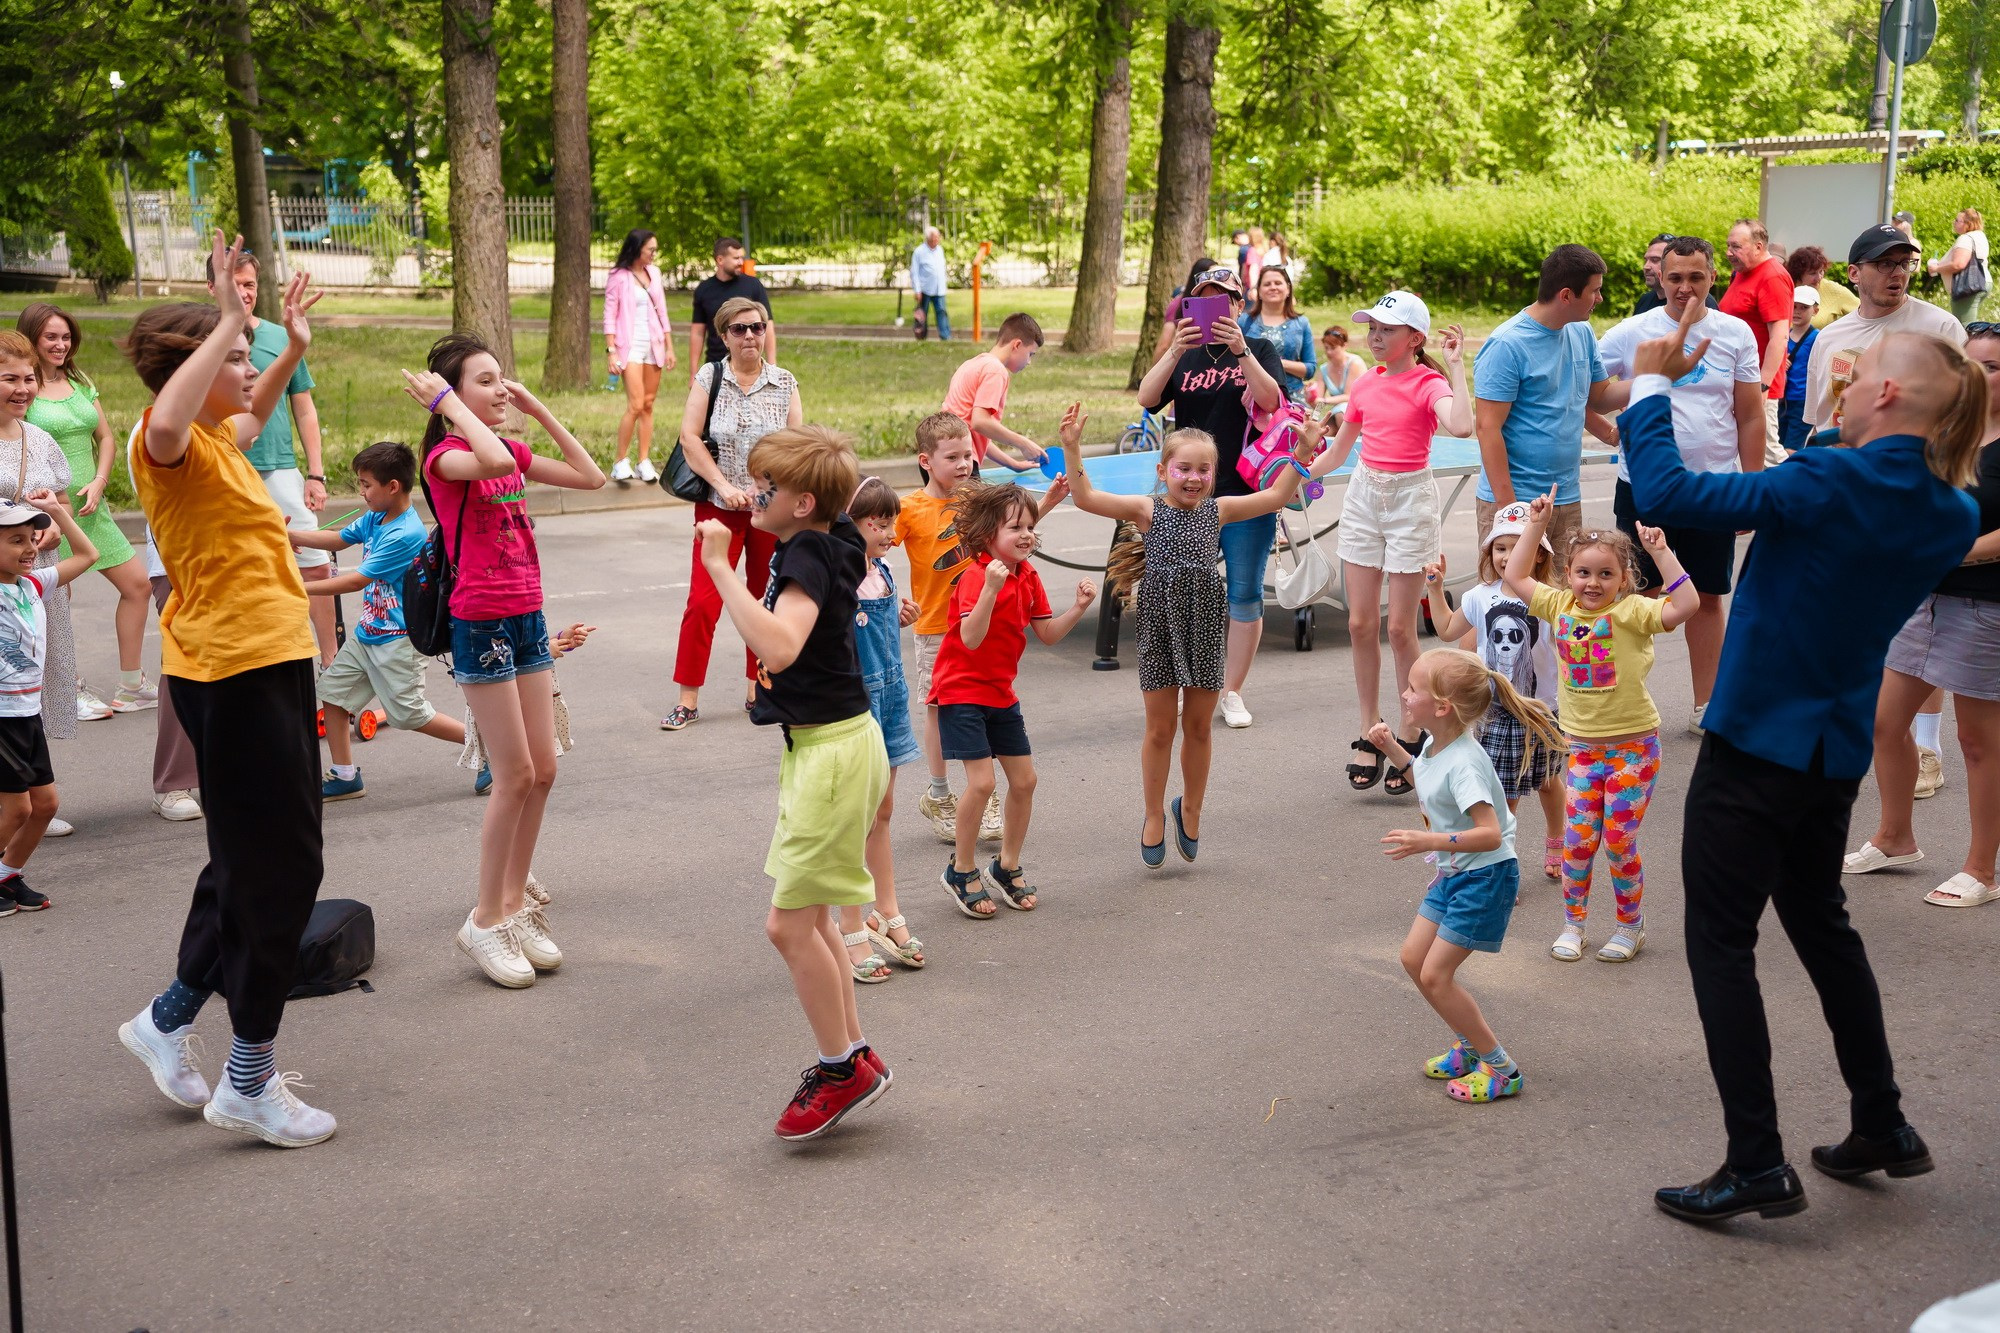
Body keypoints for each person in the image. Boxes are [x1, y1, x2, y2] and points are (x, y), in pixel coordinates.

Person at [1626, 304, 1981, 1224]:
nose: (1846, 380)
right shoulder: (1948, 507)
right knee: (1823, 928)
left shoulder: (1827, 481)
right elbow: (1848, 480)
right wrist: (1840, 417)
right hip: (1829, 751)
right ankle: (1883, 1122)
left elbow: (1668, 495)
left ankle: (1755, 1160)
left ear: (1890, 391)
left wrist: (1656, 380)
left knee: (1720, 941)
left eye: (1860, 373)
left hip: (1755, 746)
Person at [114, 234, 336, 1147]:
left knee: (249, 861)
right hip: (231, 671)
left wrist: (286, 348)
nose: (245, 372)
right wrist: (232, 319)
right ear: (190, 369)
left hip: (265, 662)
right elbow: (167, 422)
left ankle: (167, 1019)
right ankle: (247, 1075)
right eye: (232, 360)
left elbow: (246, 410)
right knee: (280, 870)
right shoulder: (163, 442)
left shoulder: (216, 438)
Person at [692, 424, 894, 1142]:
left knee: (786, 925)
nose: (753, 493)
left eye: (767, 487)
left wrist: (720, 568)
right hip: (828, 745)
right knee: (809, 920)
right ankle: (854, 1051)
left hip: (835, 754)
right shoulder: (826, 535)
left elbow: (780, 640)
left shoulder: (809, 546)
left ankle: (840, 1066)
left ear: (804, 500)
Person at [412, 332, 605, 989]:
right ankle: (486, 917)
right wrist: (452, 411)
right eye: (486, 381)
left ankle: (515, 900)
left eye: (503, 380)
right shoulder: (446, 457)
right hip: (480, 621)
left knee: (543, 767)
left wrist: (540, 408)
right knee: (514, 773)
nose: (500, 390)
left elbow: (591, 476)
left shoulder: (503, 446)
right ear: (450, 397)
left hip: (527, 618)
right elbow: (491, 461)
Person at [1063, 408, 1315, 867]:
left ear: (1214, 475)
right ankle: (1153, 813)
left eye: (1203, 469)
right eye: (1184, 469)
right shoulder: (1147, 510)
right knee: (1160, 729)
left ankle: (1191, 808)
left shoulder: (1220, 510)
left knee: (1198, 726)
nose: (1193, 478)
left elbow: (1278, 495)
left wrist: (1301, 449)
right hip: (1160, 625)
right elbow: (1085, 497)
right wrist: (1072, 447)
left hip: (1203, 622)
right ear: (1163, 472)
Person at [1841, 323, 2000, 909]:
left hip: (1987, 607)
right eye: (1971, 365)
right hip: (1920, 599)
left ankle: (1982, 869)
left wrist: (1954, 548)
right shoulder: (1944, 433)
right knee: (1884, 722)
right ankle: (1895, 837)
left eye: (1993, 366)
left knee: (1979, 741)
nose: (1980, 376)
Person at [1504, 498, 1698, 964]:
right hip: (1585, 753)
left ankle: (1630, 926)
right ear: (1568, 574)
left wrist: (1662, 552)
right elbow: (1515, 574)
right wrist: (1536, 525)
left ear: (1625, 579)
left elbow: (1688, 603)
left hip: (1634, 750)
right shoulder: (1558, 606)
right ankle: (1574, 924)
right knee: (1578, 841)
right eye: (1584, 573)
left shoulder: (1633, 612)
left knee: (1618, 839)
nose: (1594, 583)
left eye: (1606, 574)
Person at [1375, 648, 1562, 1104]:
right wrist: (1391, 749)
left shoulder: (1466, 763)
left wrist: (1429, 842)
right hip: (1455, 875)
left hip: (1485, 878)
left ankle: (1501, 1068)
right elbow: (1426, 778)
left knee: (1436, 975)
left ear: (1442, 707)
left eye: (1414, 688)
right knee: (1411, 960)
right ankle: (1467, 1044)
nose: (1404, 692)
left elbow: (1491, 835)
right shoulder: (1437, 745)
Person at [1305, 292, 1473, 794]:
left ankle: (1411, 727)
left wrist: (1459, 367)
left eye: (1387, 330)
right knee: (1358, 622)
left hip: (1410, 501)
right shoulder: (1364, 385)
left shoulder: (1429, 382)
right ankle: (1368, 727)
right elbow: (1337, 454)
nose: (1375, 338)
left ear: (1415, 339)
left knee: (1400, 629)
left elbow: (1461, 425)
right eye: (1372, 329)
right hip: (1364, 496)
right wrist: (1291, 481)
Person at [1596, 235, 1765, 732]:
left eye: (1696, 277)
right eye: (1675, 277)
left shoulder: (1735, 333)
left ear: (1714, 278)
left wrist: (1751, 492)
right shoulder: (1631, 334)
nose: (1685, 288)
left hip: (1714, 489)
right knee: (1636, 595)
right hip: (1644, 489)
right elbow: (1591, 394)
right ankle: (1624, 705)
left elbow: (1750, 415)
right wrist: (1611, 431)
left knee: (1709, 597)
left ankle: (1707, 707)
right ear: (1660, 278)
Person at [933, 482, 1096, 919]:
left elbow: (1046, 634)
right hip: (960, 690)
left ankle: (1005, 866)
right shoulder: (974, 576)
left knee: (1024, 782)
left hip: (1000, 693)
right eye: (1015, 527)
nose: (1026, 534)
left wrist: (1078, 608)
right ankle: (961, 869)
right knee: (982, 783)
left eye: (1030, 526)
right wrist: (989, 588)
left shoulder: (1029, 577)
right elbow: (970, 638)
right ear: (989, 536)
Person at [1135, 266, 1286, 729]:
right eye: (1202, 300)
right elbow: (1146, 398)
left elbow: (1273, 401)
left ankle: (1232, 690)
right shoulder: (1185, 354)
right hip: (1187, 496)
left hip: (1242, 492)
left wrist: (1241, 352)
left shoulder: (1259, 349)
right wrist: (1174, 350)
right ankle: (1186, 682)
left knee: (1243, 593)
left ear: (1240, 307)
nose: (1215, 308)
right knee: (1181, 589)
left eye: (1225, 300)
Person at [286, 442, 469, 800]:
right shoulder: (376, 517)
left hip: (399, 639)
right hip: (369, 633)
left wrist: (298, 587)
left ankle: (488, 744)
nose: (362, 491)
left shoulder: (405, 534)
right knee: (333, 696)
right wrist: (288, 535)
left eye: (366, 484)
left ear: (393, 487)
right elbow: (337, 539)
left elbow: (357, 580)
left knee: (409, 715)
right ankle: (344, 775)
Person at [661, 296, 802, 732]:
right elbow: (689, 438)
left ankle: (757, 690)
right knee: (704, 603)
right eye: (739, 329)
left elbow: (796, 446)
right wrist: (724, 486)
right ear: (723, 336)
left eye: (757, 328)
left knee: (764, 599)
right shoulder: (711, 376)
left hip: (769, 511)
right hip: (718, 509)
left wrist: (768, 494)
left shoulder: (784, 381)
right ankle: (687, 699)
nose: (749, 336)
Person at [17, 303, 154, 718]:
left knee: (138, 585)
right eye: (51, 337)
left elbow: (106, 437)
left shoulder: (78, 379)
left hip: (92, 505)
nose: (61, 345)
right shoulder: (22, 386)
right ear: (32, 339)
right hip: (46, 506)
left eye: (66, 337)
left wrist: (99, 480)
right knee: (57, 601)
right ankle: (67, 689)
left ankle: (131, 686)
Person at [205, 250, 336, 669]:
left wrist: (314, 473)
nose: (244, 293)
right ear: (212, 288)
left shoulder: (281, 338)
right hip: (225, 467)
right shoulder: (200, 338)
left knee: (314, 564)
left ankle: (331, 662)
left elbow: (305, 409)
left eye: (250, 285)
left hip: (279, 467)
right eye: (234, 284)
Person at [1425, 503, 1567, 885]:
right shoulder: (1479, 595)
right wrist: (1437, 589)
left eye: (1516, 546)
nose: (1506, 556)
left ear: (1539, 552)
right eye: (1499, 548)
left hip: (1541, 711)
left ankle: (1557, 840)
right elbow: (1447, 630)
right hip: (1495, 712)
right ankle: (1501, 866)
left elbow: (1570, 652)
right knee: (1502, 794)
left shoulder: (1551, 598)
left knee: (1549, 782)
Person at [1473, 244, 1625, 563]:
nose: (1600, 299)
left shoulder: (1581, 332)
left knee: (1564, 607)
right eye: (1595, 291)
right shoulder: (1507, 344)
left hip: (1565, 499)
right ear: (1567, 295)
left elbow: (1596, 398)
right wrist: (1509, 510)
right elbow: (1488, 429)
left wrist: (1658, 379)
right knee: (1514, 608)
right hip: (1517, 503)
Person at [836, 477, 926, 981]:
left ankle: (884, 910)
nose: (890, 531)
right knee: (858, 816)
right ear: (851, 523)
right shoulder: (840, 576)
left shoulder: (885, 573)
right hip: (858, 705)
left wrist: (901, 616)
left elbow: (882, 631)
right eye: (879, 522)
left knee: (884, 811)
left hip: (891, 703)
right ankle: (851, 922)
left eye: (892, 521)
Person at [0, 492, 98, 913]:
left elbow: (88, 553)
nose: (29, 548)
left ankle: (6, 875)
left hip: (27, 713)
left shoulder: (33, 584)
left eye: (31, 538)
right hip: (1, 718)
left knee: (45, 805)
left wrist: (58, 513)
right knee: (17, 808)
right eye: (15, 540)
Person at [0, 333, 82, 766]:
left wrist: (51, 525)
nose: (22, 389)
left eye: (29, 378)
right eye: (9, 378)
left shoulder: (40, 438)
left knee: (32, 680)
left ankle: (32, 793)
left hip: (34, 578)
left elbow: (61, 502)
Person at [1803, 224, 1966, 434]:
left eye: (1905, 263)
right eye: (1886, 263)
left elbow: (1966, 412)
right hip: (1837, 461)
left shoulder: (1941, 327)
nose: (1898, 273)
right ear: (1854, 273)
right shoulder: (1828, 337)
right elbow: (1819, 421)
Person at [603, 228, 677, 485]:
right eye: (651, 250)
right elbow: (609, 314)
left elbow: (663, 311)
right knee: (635, 404)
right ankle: (619, 461)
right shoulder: (618, 277)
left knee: (647, 404)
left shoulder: (653, 273)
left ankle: (643, 460)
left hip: (653, 344)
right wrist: (611, 350)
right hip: (629, 346)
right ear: (637, 249)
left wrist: (669, 346)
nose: (654, 254)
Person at [1719, 220, 1794, 469]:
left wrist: (1762, 385)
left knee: (1768, 455)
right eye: (1728, 246)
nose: (1729, 253)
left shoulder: (1772, 276)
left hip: (1757, 385)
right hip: (1737, 380)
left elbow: (1780, 336)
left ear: (1759, 246)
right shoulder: (1741, 273)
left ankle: (1797, 502)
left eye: (1736, 246)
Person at [941, 313, 1046, 472]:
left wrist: (1014, 464)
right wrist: (1023, 443)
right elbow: (980, 422)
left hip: (941, 457)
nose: (1029, 362)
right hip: (960, 463)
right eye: (1030, 354)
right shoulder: (996, 371)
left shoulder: (971, 364)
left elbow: (977, 433)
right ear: (1016, 345)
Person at [689, 236, 775, 372]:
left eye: (742, 257)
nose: (741, 262)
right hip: (716, 365)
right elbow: (698, 333)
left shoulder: (753, 285)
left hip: (750, 365)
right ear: (720, 260)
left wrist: (772, 365)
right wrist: (693, 372)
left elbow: (767, 325)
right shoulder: (704, 290)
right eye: (736, 258)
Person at [1238, 266, 1316, 403]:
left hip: (1292, 397)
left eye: (1278, 283)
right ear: (1259, 292)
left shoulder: (1301, 323)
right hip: (1251, 395)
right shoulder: (1244, 321)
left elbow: (1310, 369)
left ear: (1288, 289)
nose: (1273, 287)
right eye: (1267, 284)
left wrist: (1276, 363)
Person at [1927, 208, 1990, 325]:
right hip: (1983, 281)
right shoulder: (1980, 236)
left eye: (1957, 220)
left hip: (1967, 285)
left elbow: (1959, 264)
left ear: (1968, 224)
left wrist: (1936, 268)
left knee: (1964, 327)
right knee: (1969, 323)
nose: (1954, 222)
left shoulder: (1965, 239)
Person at [1633, 234, 1720, 317]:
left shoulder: (1703, 302)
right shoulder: (1645, 300)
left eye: (1655, 260)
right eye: (1646, 260)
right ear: (1661, 277)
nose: (1646, 267)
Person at [1778, 286, 1820, 454]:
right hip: (1782, 399)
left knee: (1791, 448)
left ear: (1815, 310)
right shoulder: (1781, 334)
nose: (1797, 311)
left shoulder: (1817, 337)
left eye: (1804, 307)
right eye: (1794, 306)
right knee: (1778, 445)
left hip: (1802, 400)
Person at [1786, 246, 1859, 330]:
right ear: (1798, 274)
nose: (1819, 277)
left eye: (1821, 271)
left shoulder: (1832, 289)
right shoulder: (1785, 289)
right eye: (1812, 273)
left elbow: (1864, 312)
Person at [1307, 325, 1359, 418]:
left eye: (1333, 348)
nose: (1329, 352)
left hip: (1358, 411)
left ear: (1344, 346)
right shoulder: (1323, 369)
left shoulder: (1354, 363)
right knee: (1320, 429)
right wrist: (1311, 398)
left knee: (1341, 413)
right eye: (1326, 348)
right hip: (1338, 414)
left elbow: (1349, 396)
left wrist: (1325, 400)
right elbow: (1319, 404)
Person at [910, 227, 950, 341]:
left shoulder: (940, 250)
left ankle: (945, 336)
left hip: (939, 289)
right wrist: (917, 290)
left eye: (937, 238)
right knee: (922, 315)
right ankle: (921, 336)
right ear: (928, 239)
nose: (936, 240)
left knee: (942, 312)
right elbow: (914, 272)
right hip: (925, 289)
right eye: (933, 238)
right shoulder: (919, 252)